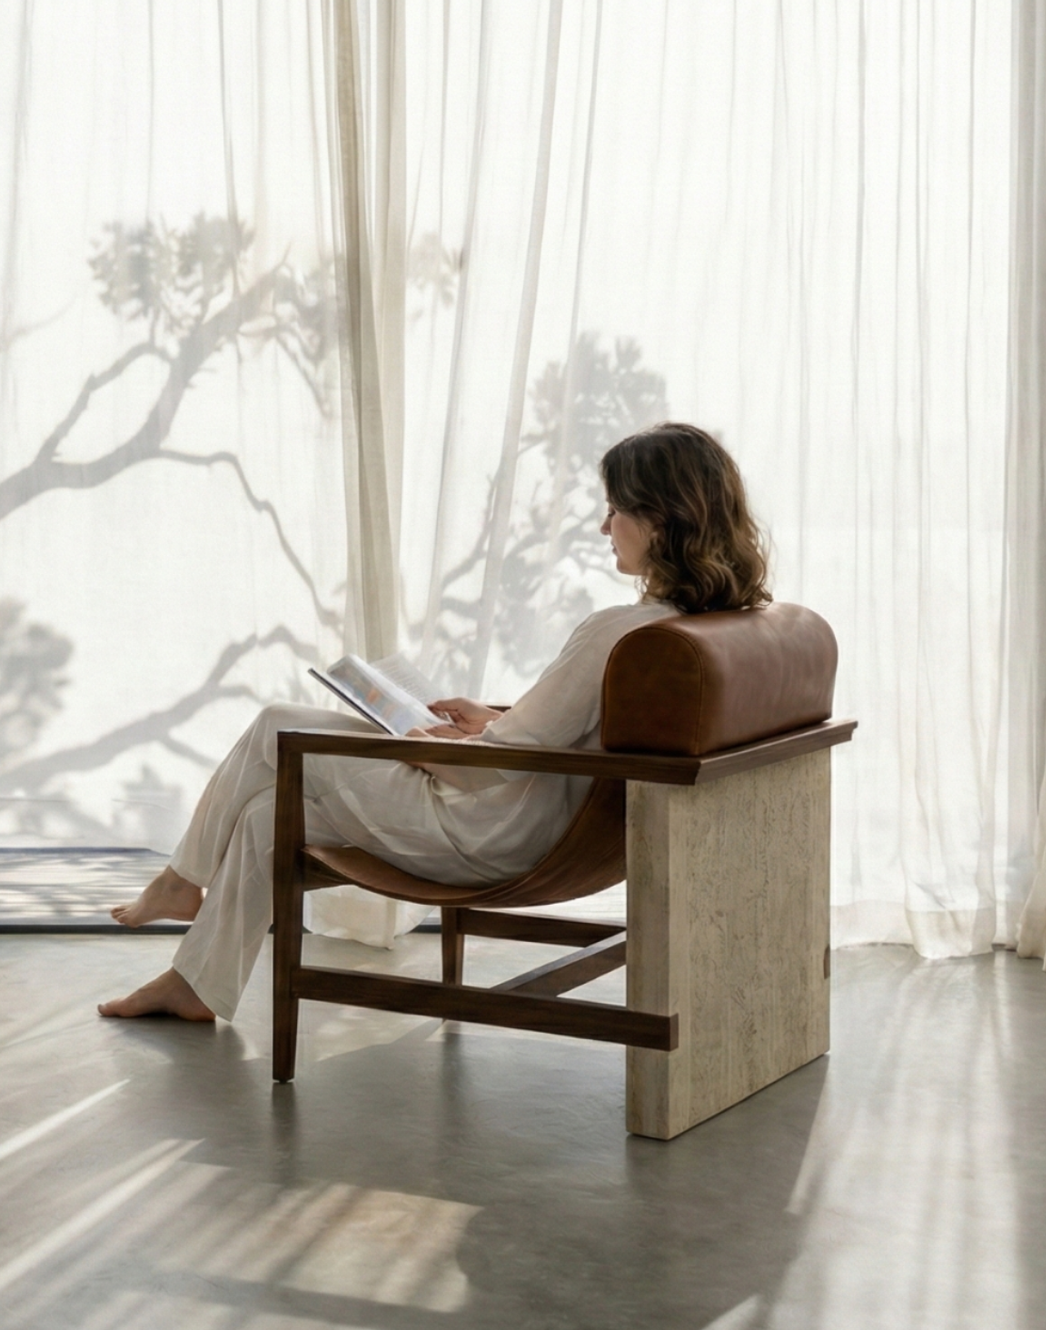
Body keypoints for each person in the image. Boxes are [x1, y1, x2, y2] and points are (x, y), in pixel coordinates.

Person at [98, 421, 773, 1021]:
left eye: (615, 511)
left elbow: (503, 763)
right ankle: (193, 985)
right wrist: (491, 718)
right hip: (542, 815)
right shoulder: (709, 625)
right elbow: (569, 725)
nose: (604, 528)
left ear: (660, 521)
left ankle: (181, 880)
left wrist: (426, 746)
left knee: (279, 722)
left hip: (495, 828)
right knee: (264, 816)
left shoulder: (618, 632)